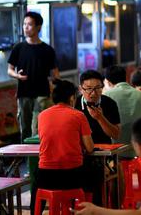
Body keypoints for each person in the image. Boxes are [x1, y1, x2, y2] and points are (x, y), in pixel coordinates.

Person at [35, 79, 93, 211]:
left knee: (36, 177)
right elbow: (89, 147)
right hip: (72, 176)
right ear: (72, 97)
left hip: (46, 176)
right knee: (93, 175)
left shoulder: (42, 116)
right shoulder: (79, 116)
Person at [8, 11, 60, 141]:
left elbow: (55, 72)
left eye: (29, 24)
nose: (25, 27)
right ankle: (26, 158)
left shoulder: (47, 50)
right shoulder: (19, 48)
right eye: (24, 24)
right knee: (24, 128)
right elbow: (10, 70)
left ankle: (39, 157)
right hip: (24, 93)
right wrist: (17, 76)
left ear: (38, 27)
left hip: (42, 94)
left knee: (38, 127)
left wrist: (55, 83)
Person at [104, 65, 141, 158]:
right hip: (139, 151)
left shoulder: (106, 96)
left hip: (115, 153)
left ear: (108, 82)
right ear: (126, 77)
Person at [75, 70, 121, 144]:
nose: (93, 93)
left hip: (105, 152)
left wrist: (100, 118)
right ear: (80, 89)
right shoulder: (74, 104)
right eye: (89, 89)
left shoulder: (109, 103)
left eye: (97, 88)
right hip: (82, 152)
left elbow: (116, 135)